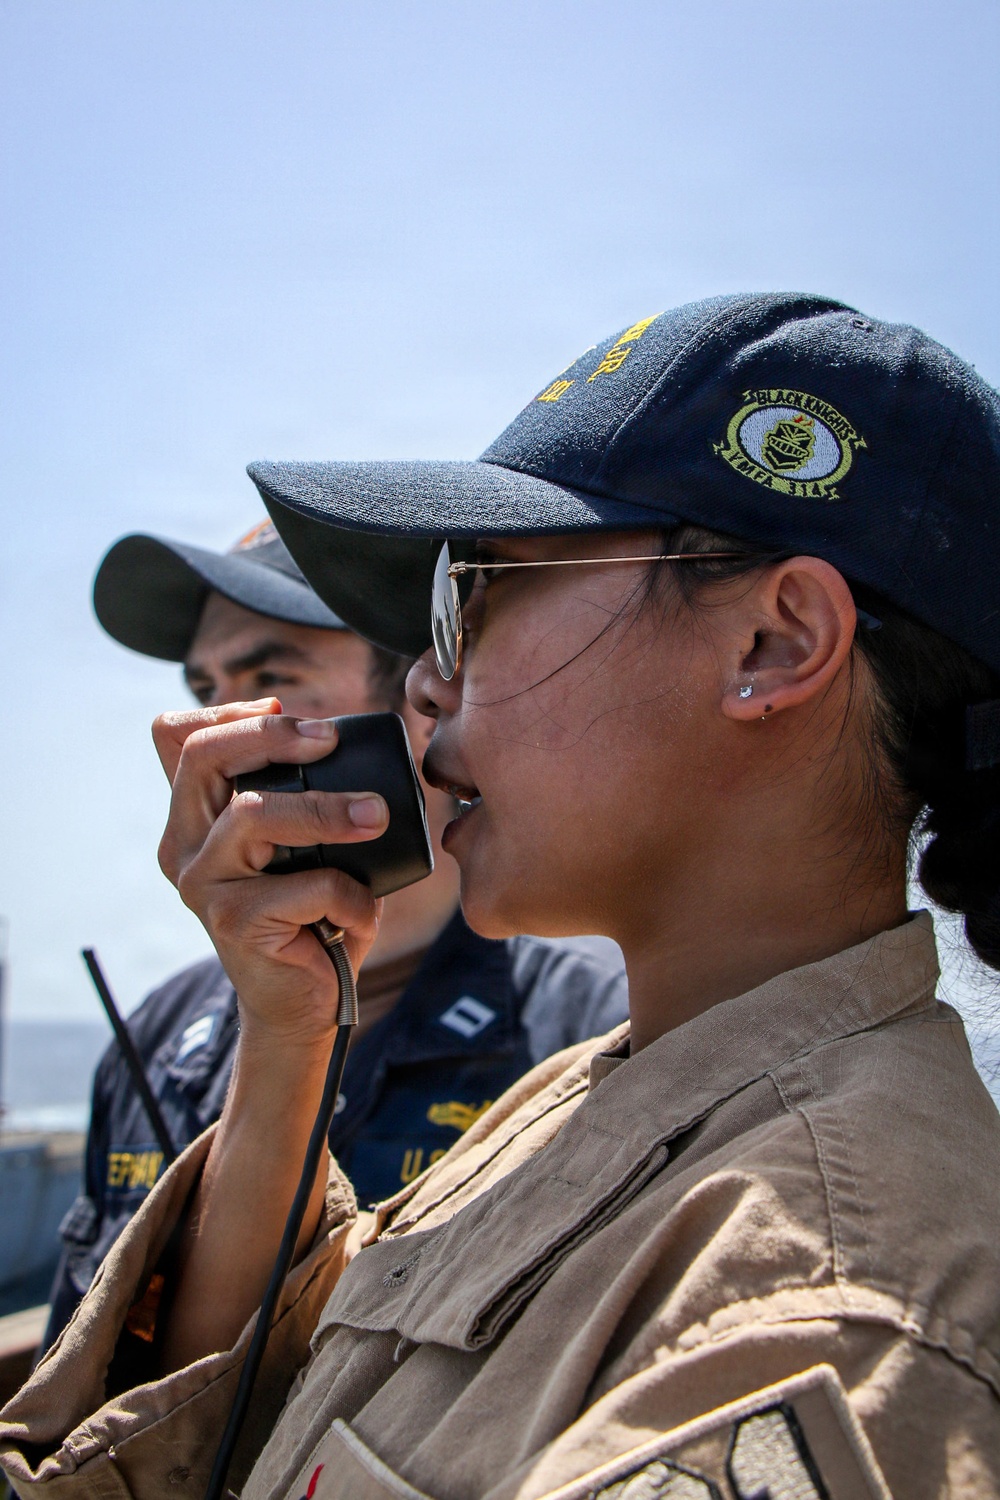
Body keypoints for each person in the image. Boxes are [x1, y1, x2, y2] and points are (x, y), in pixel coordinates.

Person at [4, 293, 1000, 1497]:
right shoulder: (589, 1091)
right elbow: (245, 1428)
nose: (424, 684)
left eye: (469, 596)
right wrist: (288, 1036)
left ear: (772, 644)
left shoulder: (826, 1314)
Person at [42, 520, 628, 1346]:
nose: (220, 730)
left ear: (421, 706)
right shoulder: (157, 1035)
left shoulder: (593, 1033)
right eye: (206, 687)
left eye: (271, 677)